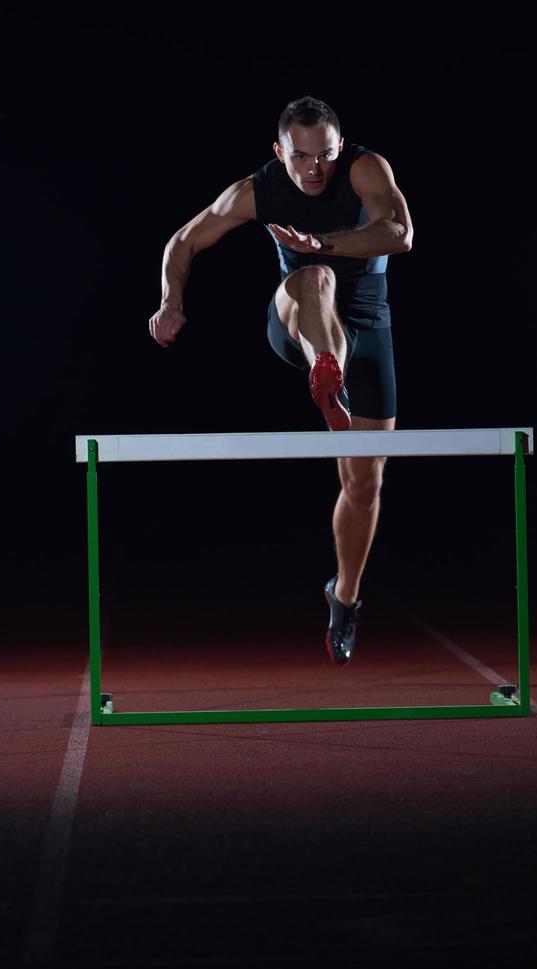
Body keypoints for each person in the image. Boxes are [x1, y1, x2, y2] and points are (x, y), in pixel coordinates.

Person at [149, 95, 413, 666]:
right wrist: (171, 301)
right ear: (279, 151)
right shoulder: (256, 190)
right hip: (297, 317)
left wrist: (326, 241)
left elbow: (399, 231)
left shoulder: (367, 168)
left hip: (369, 329)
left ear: (341, 147)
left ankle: (344, 596)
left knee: (363, 483)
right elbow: (182, 241)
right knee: (313, 278)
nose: (315, 168)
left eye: (326, 155)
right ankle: (326, 368)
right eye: (301, 157)